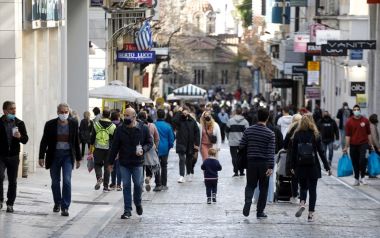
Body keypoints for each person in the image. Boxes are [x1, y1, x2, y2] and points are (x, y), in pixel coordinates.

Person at [108, 107, 153, 219]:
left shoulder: (143, 128)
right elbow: (114, 147)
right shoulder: (119, 129)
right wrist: (110, 162)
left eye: (128, 115)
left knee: (138, 184)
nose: (125, 117)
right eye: (124, 115)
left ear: (134, 117)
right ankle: (127, 210)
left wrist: (143, 149)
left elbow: (150, 142)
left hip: (138, 162)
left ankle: (137, 203)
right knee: (126, 185)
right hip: (124, 162)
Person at [39, 103, 81, 216]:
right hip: (54, 156)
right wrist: (41, 156)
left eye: (66, 112)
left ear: (68, 112)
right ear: (57, 112)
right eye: (61, 112)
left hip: (67, 156)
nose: (64, 114)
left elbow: (76, 141)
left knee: (67, 181)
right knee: (55, 182)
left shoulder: (73, 123)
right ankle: (57, 202)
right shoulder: (50, 124)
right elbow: (44, 141)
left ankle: (65, 206)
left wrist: (78, 158)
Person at [291, 115, 331, 222]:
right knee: (313, 190)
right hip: (313, 166)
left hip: (300, 166)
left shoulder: (297, 134)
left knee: (303, 187)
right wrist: (327, 167)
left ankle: (302, 203)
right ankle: (310, 215)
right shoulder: (315, 134)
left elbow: (293, 152)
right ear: (311, 122)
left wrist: (292, 166)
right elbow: (321, 152)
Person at [240, 108, 275, 219]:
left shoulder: (248, 131)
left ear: (257, 116)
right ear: (267, 118)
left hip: (251, 162)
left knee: (250, 185)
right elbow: (271, 151)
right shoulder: (270, 134)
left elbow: (241, 146)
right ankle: (260, 212)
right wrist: (271, 166)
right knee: (263, 188)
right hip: (264, 163)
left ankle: (248, 201)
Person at [0, 101, 28, 213]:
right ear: (5, 111)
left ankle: (10, 203)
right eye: (11, 109)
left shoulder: (20, 123)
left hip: (14, 156)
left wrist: (20, 137)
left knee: (13, 181)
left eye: (15, 108)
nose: (14, 111)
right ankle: (0, 200)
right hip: (1, 156)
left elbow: (25, 139)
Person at [343, 105, 375, 186]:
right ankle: (356, 178)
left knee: (362, 160)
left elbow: (369, 134)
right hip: (353, 145)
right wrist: (346, 147)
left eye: (358, 109)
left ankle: (363, 177)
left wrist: (371, 144)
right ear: (353, 111)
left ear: (360, 111)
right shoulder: (349, 122)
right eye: (355, 109)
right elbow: (347, 136)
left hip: (363, 144)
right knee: (355, 162)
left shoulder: (365, 120)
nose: (356, 110)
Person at [89, 109, 116, 192]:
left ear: (102, 115)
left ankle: (99, 177)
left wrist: (91, 150)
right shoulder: (113, 126)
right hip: (109, 149)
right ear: (109, 116)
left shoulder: (96, 124)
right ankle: (105, 187)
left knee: (97, 164)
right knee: (107, 167)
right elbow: (115, 140)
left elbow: (92, 138)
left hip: (98, 148)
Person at [172, 106, 200, 183]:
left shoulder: (192, 121)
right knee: (182, 159)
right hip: (181, 143)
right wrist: (178, 112)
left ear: (188, 112)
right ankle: (181, 176)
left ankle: (188, 173)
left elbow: (197, 132)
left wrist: (197, 143)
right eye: (183, 112)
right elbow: (174, 121)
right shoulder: (179, 120)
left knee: (189, 160)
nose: (184, 113)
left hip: (190, 143)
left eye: (186, 111)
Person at [138, 111, 160, 192]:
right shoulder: (152, 125)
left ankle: (140, 186)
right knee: (150, 167)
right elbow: (157, 138)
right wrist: (155, 147)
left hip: (139, 150)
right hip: (150, 149)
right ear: (146, 117)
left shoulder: (137, 126)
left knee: (140, 168)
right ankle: (148, 177)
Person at [283, 114, 302, 203]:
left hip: (292, 156)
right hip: (303, 156)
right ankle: (303, 196)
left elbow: (285, 144)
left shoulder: (290, 130)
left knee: (294, 177)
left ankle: (294, 196)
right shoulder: (305, 129)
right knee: (303, 177)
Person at [154, 109, 175, 191]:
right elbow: (171, 139)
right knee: (164, 166)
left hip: (155, 148)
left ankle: (158, 184)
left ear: (157, 115)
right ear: (164, 116)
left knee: (156, 166)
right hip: (165, 148)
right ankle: (164, 184)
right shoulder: (168, 126)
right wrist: (169, 147)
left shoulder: (154, 125)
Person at [226, 107, 249, 177]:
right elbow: (247, 132)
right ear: (241, 112)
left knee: (234, 157)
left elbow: (226, 131)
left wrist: (229, 138)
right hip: (242, 142)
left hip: (232, 142)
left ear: (235, 112)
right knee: (242, 157)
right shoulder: (245, 122)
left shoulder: (230, 121)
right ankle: (241, 171)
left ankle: (236, 172)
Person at [109, 110, 122, 191]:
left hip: (111, 147)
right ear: (118, 117)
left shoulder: (109, 125)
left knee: (112, 165)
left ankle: (113, 183)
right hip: (120, 148)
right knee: (119, 167)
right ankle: (119, 184)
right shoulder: (121, 125)